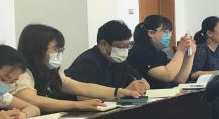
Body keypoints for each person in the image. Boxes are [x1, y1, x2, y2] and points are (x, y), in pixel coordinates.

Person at [13, 24, 147, 113]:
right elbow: (32, 100)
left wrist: (120, 92)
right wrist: (75, 105)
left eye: (61, 50)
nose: (59, 54)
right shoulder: (20, 73)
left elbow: (83, 87)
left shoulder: (50, 71)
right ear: (37, 49)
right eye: (56, 49)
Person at [66, 21, 147, 90]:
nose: (124, 51)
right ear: (103, 44)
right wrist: (124, 92)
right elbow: (85, 97)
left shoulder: (119, 61)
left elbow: (145, 84)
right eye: (121, 46)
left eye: (128, 46)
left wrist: (140, 86)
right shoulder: (87, 62)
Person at [128, 15, 194, 89]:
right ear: (151, 33)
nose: (169, 35)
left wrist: (190, 55)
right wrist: (180, 50)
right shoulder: (139, 51)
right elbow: (168, 75)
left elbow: (180, 79)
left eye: (170, 32)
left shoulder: (160, 53)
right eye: (166, 32)